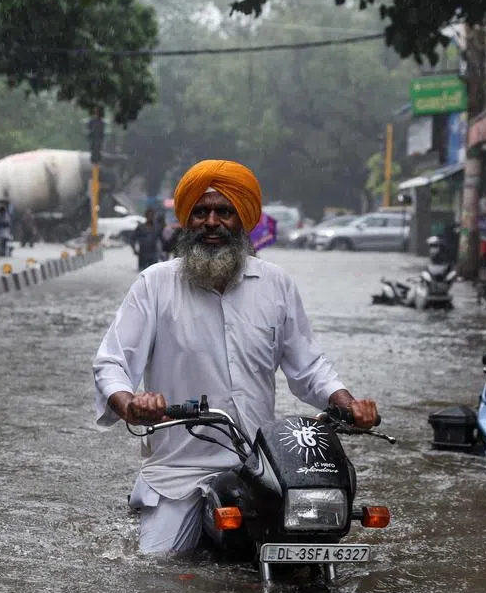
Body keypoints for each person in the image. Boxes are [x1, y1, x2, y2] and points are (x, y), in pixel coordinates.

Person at [93, 159, 379, 555]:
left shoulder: (276, 284)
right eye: (201, 211)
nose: (212, 222)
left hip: (263, 467)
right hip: (181, 472)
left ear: (242, 219)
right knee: (157, 566)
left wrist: (348, 404)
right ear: (186, 220)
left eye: (224, 211)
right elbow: (112, 363)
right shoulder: (154, 284)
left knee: (314, 546)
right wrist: (131, 403)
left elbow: (308, 366)